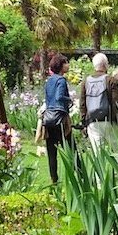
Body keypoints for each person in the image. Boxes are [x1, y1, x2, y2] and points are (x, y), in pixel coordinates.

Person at [79, 52, 118, 151]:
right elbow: (116, 103)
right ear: (106, 65)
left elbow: (82, 104)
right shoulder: (111, 80)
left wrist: (84, 122)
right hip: (109, 121)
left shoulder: (86, 82)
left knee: (98, 156)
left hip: (93, 122)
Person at [42, 54, 73, 183]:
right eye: (66, 62)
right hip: (60, 119)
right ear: (61, 65)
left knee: (51, 152)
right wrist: (69, 99)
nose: (68, 65)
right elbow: (60, 96)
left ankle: (54, 180)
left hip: (48, 118)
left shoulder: (49, 80)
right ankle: (80, 176)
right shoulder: (61, 80)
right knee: (71, 148)